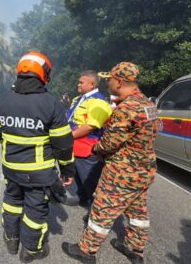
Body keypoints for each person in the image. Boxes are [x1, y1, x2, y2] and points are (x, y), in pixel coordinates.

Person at [62, 62, 159, 264]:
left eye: (111, 80)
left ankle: (86, 251)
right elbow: (154, 132)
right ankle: (134, 248)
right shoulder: (148, 105)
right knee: (137, 211)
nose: (109, 83)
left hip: (123, 172)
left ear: (120, 81)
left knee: (102, 210)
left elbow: (109, 142)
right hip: (144, 170)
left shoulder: (127, 108)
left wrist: (97, 150)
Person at [0, 51, 74, 263]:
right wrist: (67, 170)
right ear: (43, 74)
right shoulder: (51, 104)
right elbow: (62, 145)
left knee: (12, 201)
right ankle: (31, 251)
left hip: (11, 168)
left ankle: (11, 240)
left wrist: (12, 140)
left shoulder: (1, 100)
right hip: (38, 174)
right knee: (35, 211)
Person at [66, 71, 112, 207]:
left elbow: (90, 126)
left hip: (87, 146)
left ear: (92, 84)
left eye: (81, 82)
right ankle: (82, 196)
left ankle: (96, 208)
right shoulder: (78, 99)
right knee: (77, 175)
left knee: (90, 179)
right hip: (74, 145)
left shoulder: (99, 101)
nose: (78, 84)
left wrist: (67, 137)